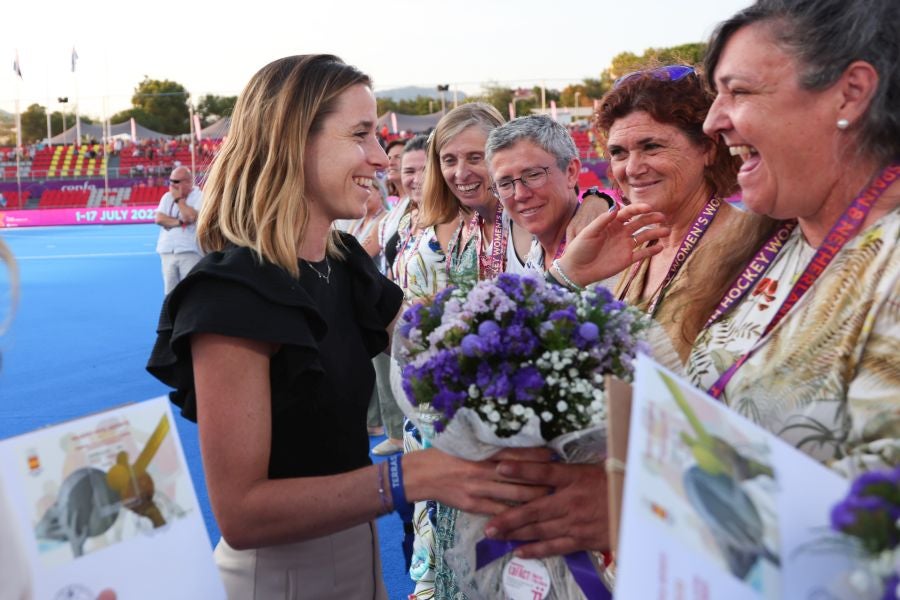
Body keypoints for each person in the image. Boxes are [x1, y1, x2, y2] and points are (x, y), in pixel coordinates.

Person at [145, 55, 551, 599]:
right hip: (278, 581)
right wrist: (417, 476)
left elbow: (447, 348)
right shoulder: (229, 294)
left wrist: (569, 278)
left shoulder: (340, 262)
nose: (382, 157)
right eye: (361, 135)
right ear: (293, 140)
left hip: (359, 565)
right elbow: (241, 514)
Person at [685, 0, 899, 476]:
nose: (712, 121)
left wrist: (635, 499)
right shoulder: (776, 240)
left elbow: (879, 518)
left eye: (738, 91)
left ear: (851, 93)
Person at [592, 63, 778, 367]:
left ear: (708, 148)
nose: (632, 169)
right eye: (618, 153)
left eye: (651, 147)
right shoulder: (629, 246)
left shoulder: (752, 246)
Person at [153, 166, 203, 294]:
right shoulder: (166, 197)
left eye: (176, 181)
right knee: (170, 293)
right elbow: (159, 218)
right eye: (170, 181)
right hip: (167, 251)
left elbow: (191, 216)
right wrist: (180, 222)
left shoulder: (199, 196)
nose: (172, 185)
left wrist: (179, 200)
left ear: (188, 181)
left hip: (190, 250)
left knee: (191, 291)